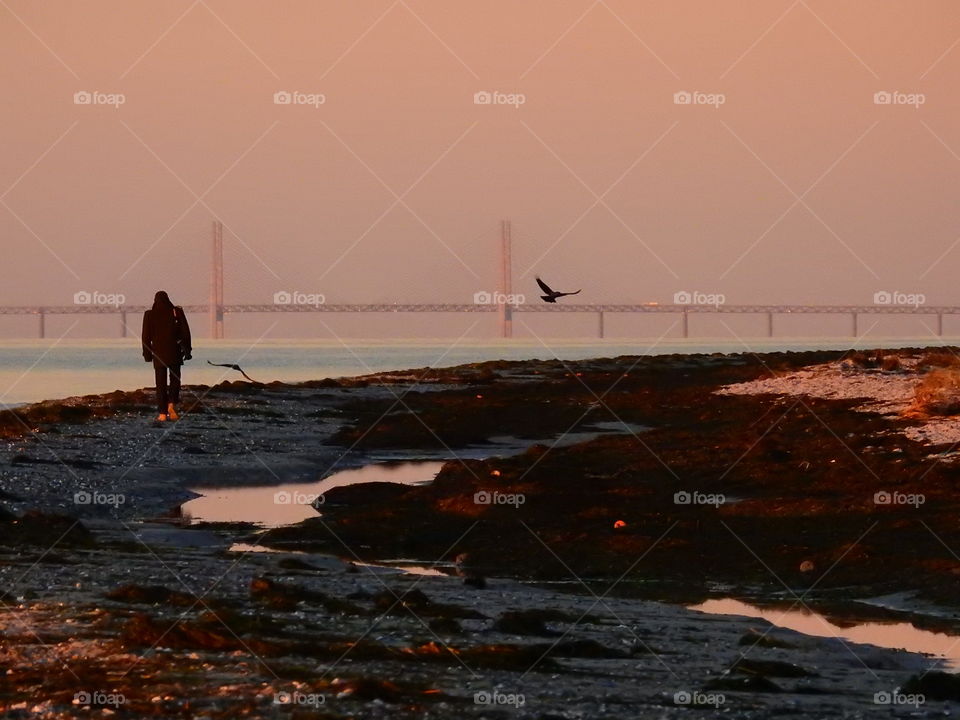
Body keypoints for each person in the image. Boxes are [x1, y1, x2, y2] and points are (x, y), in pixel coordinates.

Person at [141, 291, 192, 422]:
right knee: (175, 380)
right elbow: (186, 332)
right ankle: (171, 404)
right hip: (175, 351)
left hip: (158, 353)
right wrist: (188, 350)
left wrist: (147, 355)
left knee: (160, 384)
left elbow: (145, 337)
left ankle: (162, 414)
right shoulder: (176, 311)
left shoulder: (149, 315)